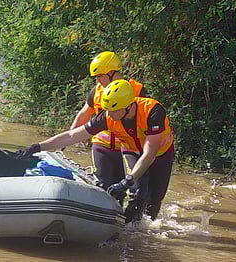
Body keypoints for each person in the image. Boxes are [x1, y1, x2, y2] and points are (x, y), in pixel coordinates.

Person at [17, 80, 174, 223]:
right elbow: (72, 135)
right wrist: (37, 147)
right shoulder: (107, 116)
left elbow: (149, 153)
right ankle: (129, 231)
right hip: (132, 150)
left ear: (128, 107)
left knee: (155, 198)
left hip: (160, 154)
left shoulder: (153, 112)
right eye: (107, 110)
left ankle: (148, 232)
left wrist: (126, 181)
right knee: (138, 193)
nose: (109, 115)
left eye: (113, 111)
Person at [69, 51, 149, 192]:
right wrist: (68, 140)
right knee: (103, 186)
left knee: (127, 191)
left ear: (112, 73)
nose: (98, 81)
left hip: (127, 149)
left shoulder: (137, 90)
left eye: (100, 76)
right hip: (102, 146)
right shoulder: (96, 91)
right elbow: (84, 115)